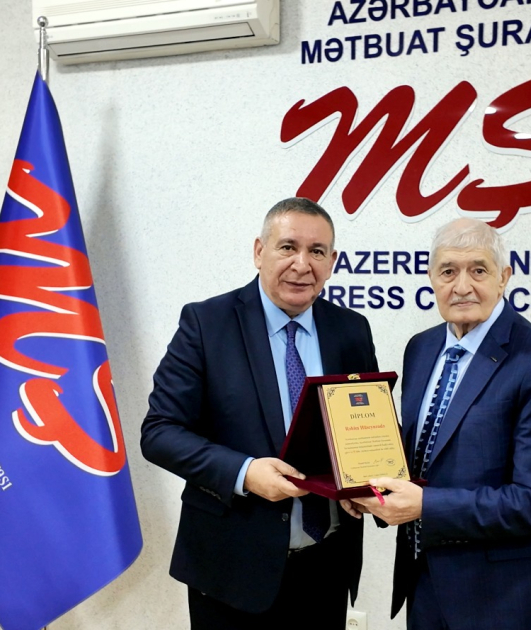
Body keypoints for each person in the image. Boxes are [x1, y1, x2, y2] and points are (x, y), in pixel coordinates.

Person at [141, 197, 378, 630]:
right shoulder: (206, 324)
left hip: (326, 567)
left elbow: (362, 428)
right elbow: (159, 432)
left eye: (317, 251)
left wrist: (364, 480)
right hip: (232, 570)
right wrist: (245, 472)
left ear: (332, 262)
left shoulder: (351, 329)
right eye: (288, 247)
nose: (302, 264)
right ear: (259, 251)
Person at [343, 218, 531, 630]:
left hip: (512, 600)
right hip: (427, 590)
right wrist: (366, 489)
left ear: (504, 277)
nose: (462, 286)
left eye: (478, 270)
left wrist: (424, 506)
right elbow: (418, 459)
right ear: (431, 278)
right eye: (448, 271)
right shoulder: (421, 348)